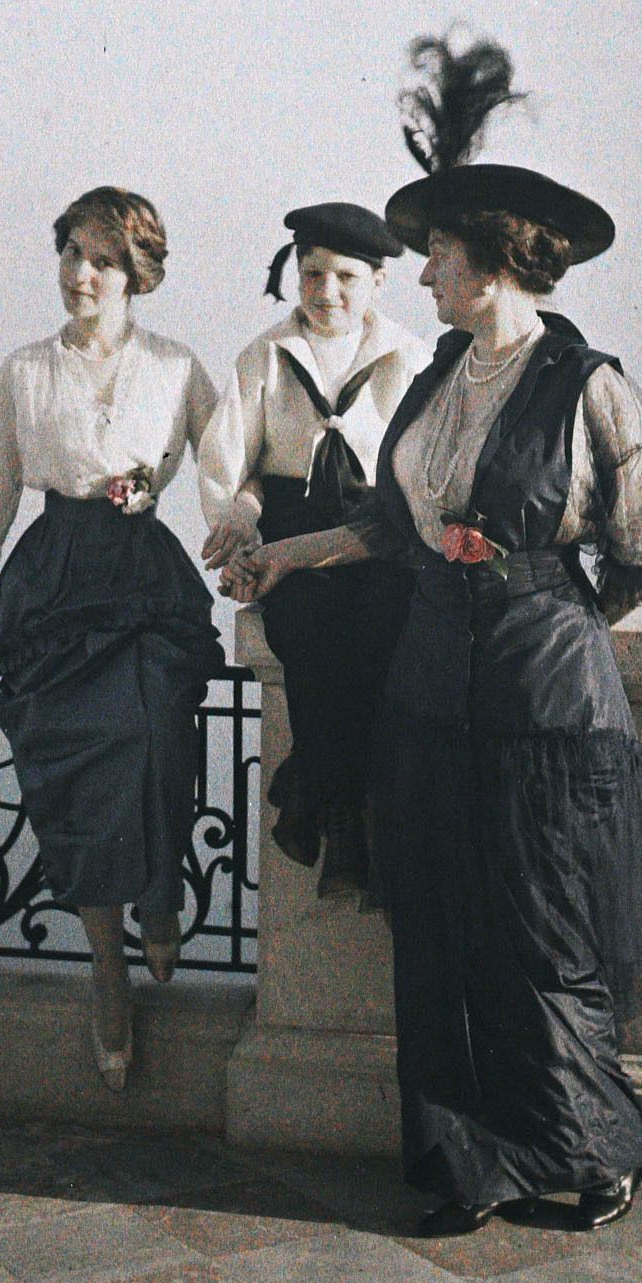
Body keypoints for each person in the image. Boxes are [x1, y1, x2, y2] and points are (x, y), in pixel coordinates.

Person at [226, 37, 642, 1236]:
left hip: (546, 702)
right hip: (430, 689)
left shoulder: (591, 383)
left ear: (491, 262)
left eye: (437, 254)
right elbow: (391, 522)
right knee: (433, 933)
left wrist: (543, 604)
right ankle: (465, 1165)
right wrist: (285, 553)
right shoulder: (441, 368)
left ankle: (592, 1155)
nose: (422, 272)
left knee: (540, 931)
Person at [0, 186, 223, 1091]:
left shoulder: (178, 366)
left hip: (144, 582)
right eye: (71, 252)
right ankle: (106, 966)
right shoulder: (24, 369)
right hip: (52, 581)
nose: (81, 273)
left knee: (154, 730)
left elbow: (229, 481)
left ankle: (158, 894)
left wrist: (259, 562)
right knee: (72, 773)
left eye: (102, 258)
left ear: (135, 272)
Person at [199, 203, 431, 898]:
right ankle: (339, 821)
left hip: (375, 534)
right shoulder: (264, 355)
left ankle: (321, 799)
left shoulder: (409, 357)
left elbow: (419, 469)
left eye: (344, 277)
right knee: (304, 632)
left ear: (378, 282)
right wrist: (236, 522)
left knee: (382, 630)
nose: (325, 292)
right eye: (311, 274)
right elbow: (228, 463)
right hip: (291, 526)